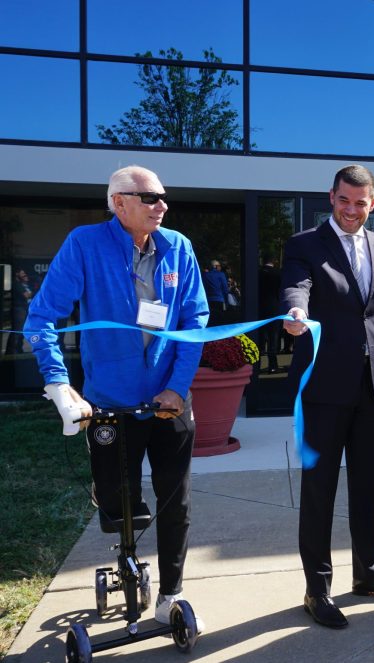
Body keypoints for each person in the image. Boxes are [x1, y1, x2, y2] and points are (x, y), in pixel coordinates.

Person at [25, 165, 209, 628]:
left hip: (168, 403)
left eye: (163, 196)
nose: (160, 205)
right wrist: (59, 384)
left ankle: (172, 593)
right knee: (115, 502)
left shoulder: (179, 248)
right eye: (148, 198)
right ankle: (126, 560)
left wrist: (177, 388)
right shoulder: (85, 245)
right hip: (109, 402)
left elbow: (195, 322)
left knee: (174, 501)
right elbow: (42, 317)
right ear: (118, 202)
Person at [281, 165, 374, 629]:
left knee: (368, 489)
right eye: (344, 201)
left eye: (361, 203)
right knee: (319, 491)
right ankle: (316, 588)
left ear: (373, 203)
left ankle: (369, 574)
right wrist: (295, 311)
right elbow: (295, 286)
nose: (351, 210)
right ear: (331, 197)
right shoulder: (305, 245)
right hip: (323, 389)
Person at [257, 255, 282, 373]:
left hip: (259, 307)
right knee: (273, 337)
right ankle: (273, 365)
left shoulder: (258, 273)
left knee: (260, 336)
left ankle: (256, 366)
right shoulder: (278, 273)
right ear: (274, 261)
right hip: (274, 308)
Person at [5, 268, 33, 354]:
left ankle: (18, 349)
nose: (24, 275)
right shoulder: (17, 285)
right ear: (17, 275)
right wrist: (34, 293)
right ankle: (12, 351)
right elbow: (27, 295)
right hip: (19, 310)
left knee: (21, 331)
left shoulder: (24, 285)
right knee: (17, 330)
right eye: (22, 273)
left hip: (24, 309)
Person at [202, 259, 229, 324]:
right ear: (215, 266)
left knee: (211, 320)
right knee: (220, 321)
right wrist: (226, 301)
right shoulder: (221, 275)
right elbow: (225, 288)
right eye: (219, 265)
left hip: (209, 301)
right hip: (219, 300)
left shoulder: (205, 275)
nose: (220, 267)